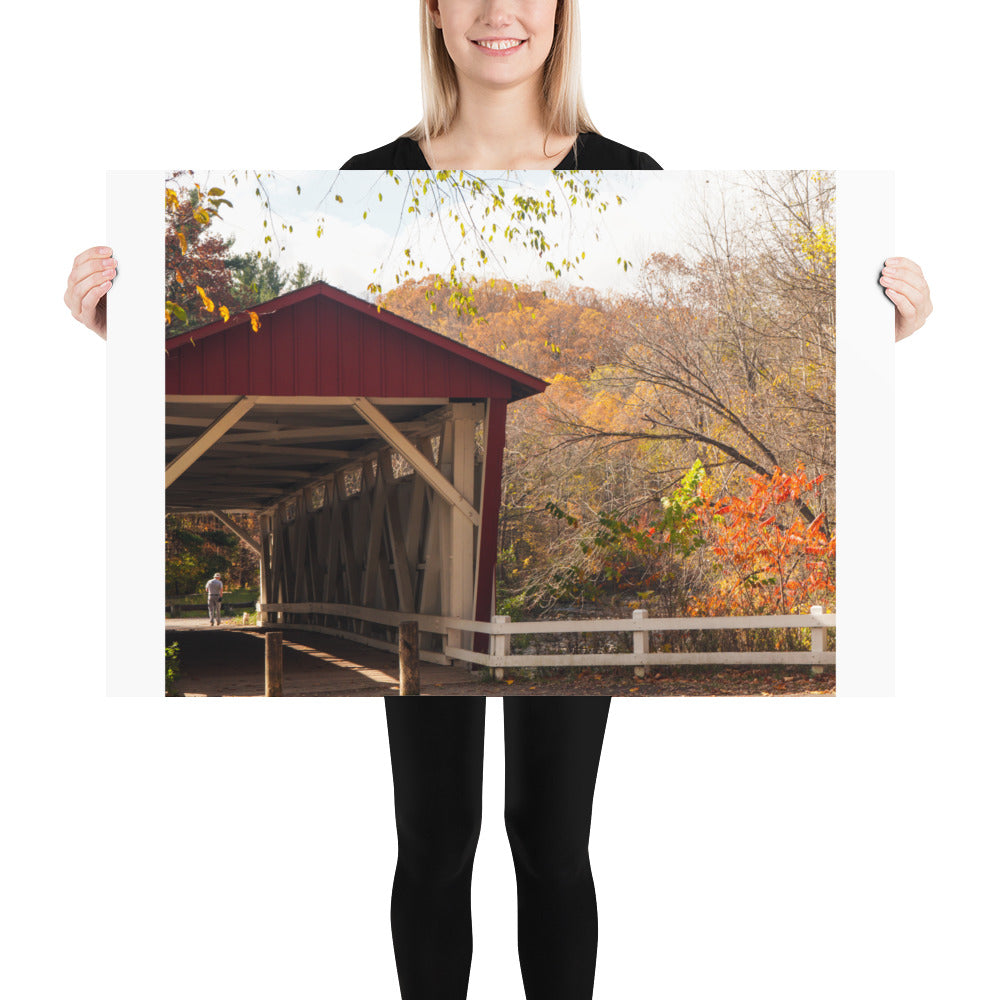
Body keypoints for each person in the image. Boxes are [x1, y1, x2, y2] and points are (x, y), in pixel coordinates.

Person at [63, 3, 933, 999]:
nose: (496, 13)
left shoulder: (629, 177)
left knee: (552, 842)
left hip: (532, 603)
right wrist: (124, 341)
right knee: (434, 842)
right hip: (429, 625)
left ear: (563, 14)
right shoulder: (366, 181)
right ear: (431, 14)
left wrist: (874, 340)